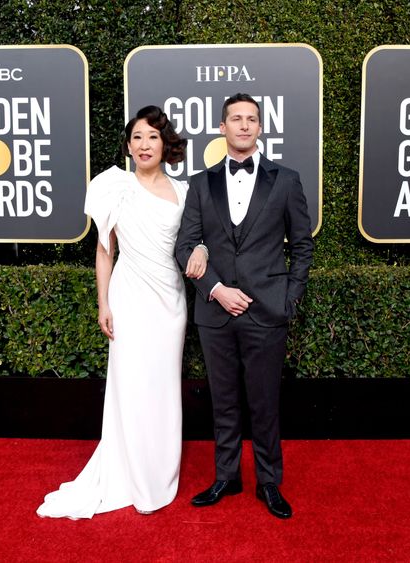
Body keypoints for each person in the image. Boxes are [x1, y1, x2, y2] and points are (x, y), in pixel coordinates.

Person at [37, 106, 207, 519]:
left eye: (152, 136)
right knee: (130, 386)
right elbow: (104, 251)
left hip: (170, 302)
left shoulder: (186, 192)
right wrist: (103, 303)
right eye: (136, 137)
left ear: (166, 143)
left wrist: (202, 248)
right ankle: (128, 473)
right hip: (129, 298)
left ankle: (158, 475)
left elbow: (199, 241)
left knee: (164, 387)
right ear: (128, 146)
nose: (144, 144)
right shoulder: (114, 187)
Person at [175, 93, 313, 519]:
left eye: (252, 119)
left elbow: (303, 247)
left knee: (265, 400)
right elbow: (184, 246)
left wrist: (287, 299)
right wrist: (216, 289)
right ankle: (226, 476)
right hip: (215, 311)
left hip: (266, 311)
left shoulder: (286, 180)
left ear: (260, 127)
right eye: (236, 118)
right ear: (222, 127)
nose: (244, 125)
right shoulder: (201, 183)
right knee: (224, 399)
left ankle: (269, 482)